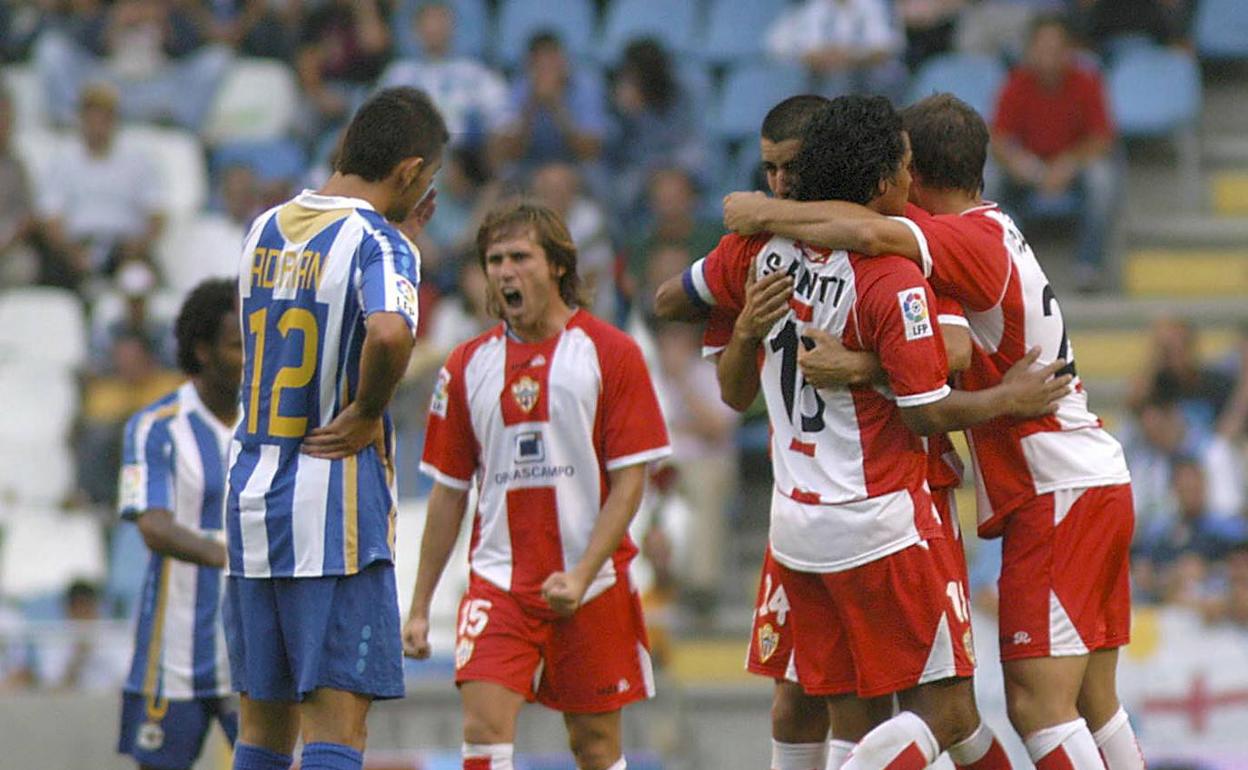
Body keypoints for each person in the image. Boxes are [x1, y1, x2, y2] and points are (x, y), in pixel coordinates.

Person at [721, 92, 1143, 770]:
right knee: (1094, 698)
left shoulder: (956, 240)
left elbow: (870, 239)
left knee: (1036, 705)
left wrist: (764, 212)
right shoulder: (985, 230)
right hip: (1087, 478)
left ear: (910, 172)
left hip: (1052, 486)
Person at [223, 87, 447, 770]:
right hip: (332, 514)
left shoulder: (263, 228)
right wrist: (369, 410)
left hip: (253, 504)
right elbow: (389, 332)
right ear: (409, 171)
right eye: (427, 180)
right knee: (337, 728)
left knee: (262, 730)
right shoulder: (381, 243)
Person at [404, 200, 670, 770]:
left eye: (519, 257)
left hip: (592, 583)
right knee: (483, 732)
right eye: (494, 260)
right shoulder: (465, 366)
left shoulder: (611, 353)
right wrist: (420, 606)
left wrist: (581, 573)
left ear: (557, 265)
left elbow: (630, 483)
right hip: (498, 583)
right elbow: (449, 491)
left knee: (595, 747)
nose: (505, 271)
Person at [116, 278, 242, 770]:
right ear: (202, 351)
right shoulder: (155, 426)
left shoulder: (273, 424)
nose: (251, 357)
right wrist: (234, 557)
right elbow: (154, 527)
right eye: (237, 346)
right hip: (174, 658)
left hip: (251, 656)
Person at [990, 14, 1120, 292]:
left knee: (1103, 179)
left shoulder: (1086, 81)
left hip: (1073, 166)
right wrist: (1021, 163)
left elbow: (1102, 138)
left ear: (1069, 50)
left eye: (1056, 48)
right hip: (1028, 166)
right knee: (988, 181)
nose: (1048, 55)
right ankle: (1003, 264)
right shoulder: (1016, 83)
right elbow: (998, 138)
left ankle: (1089, 266)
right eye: (1042, 47)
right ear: (1029, 50)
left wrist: (1070, 163)